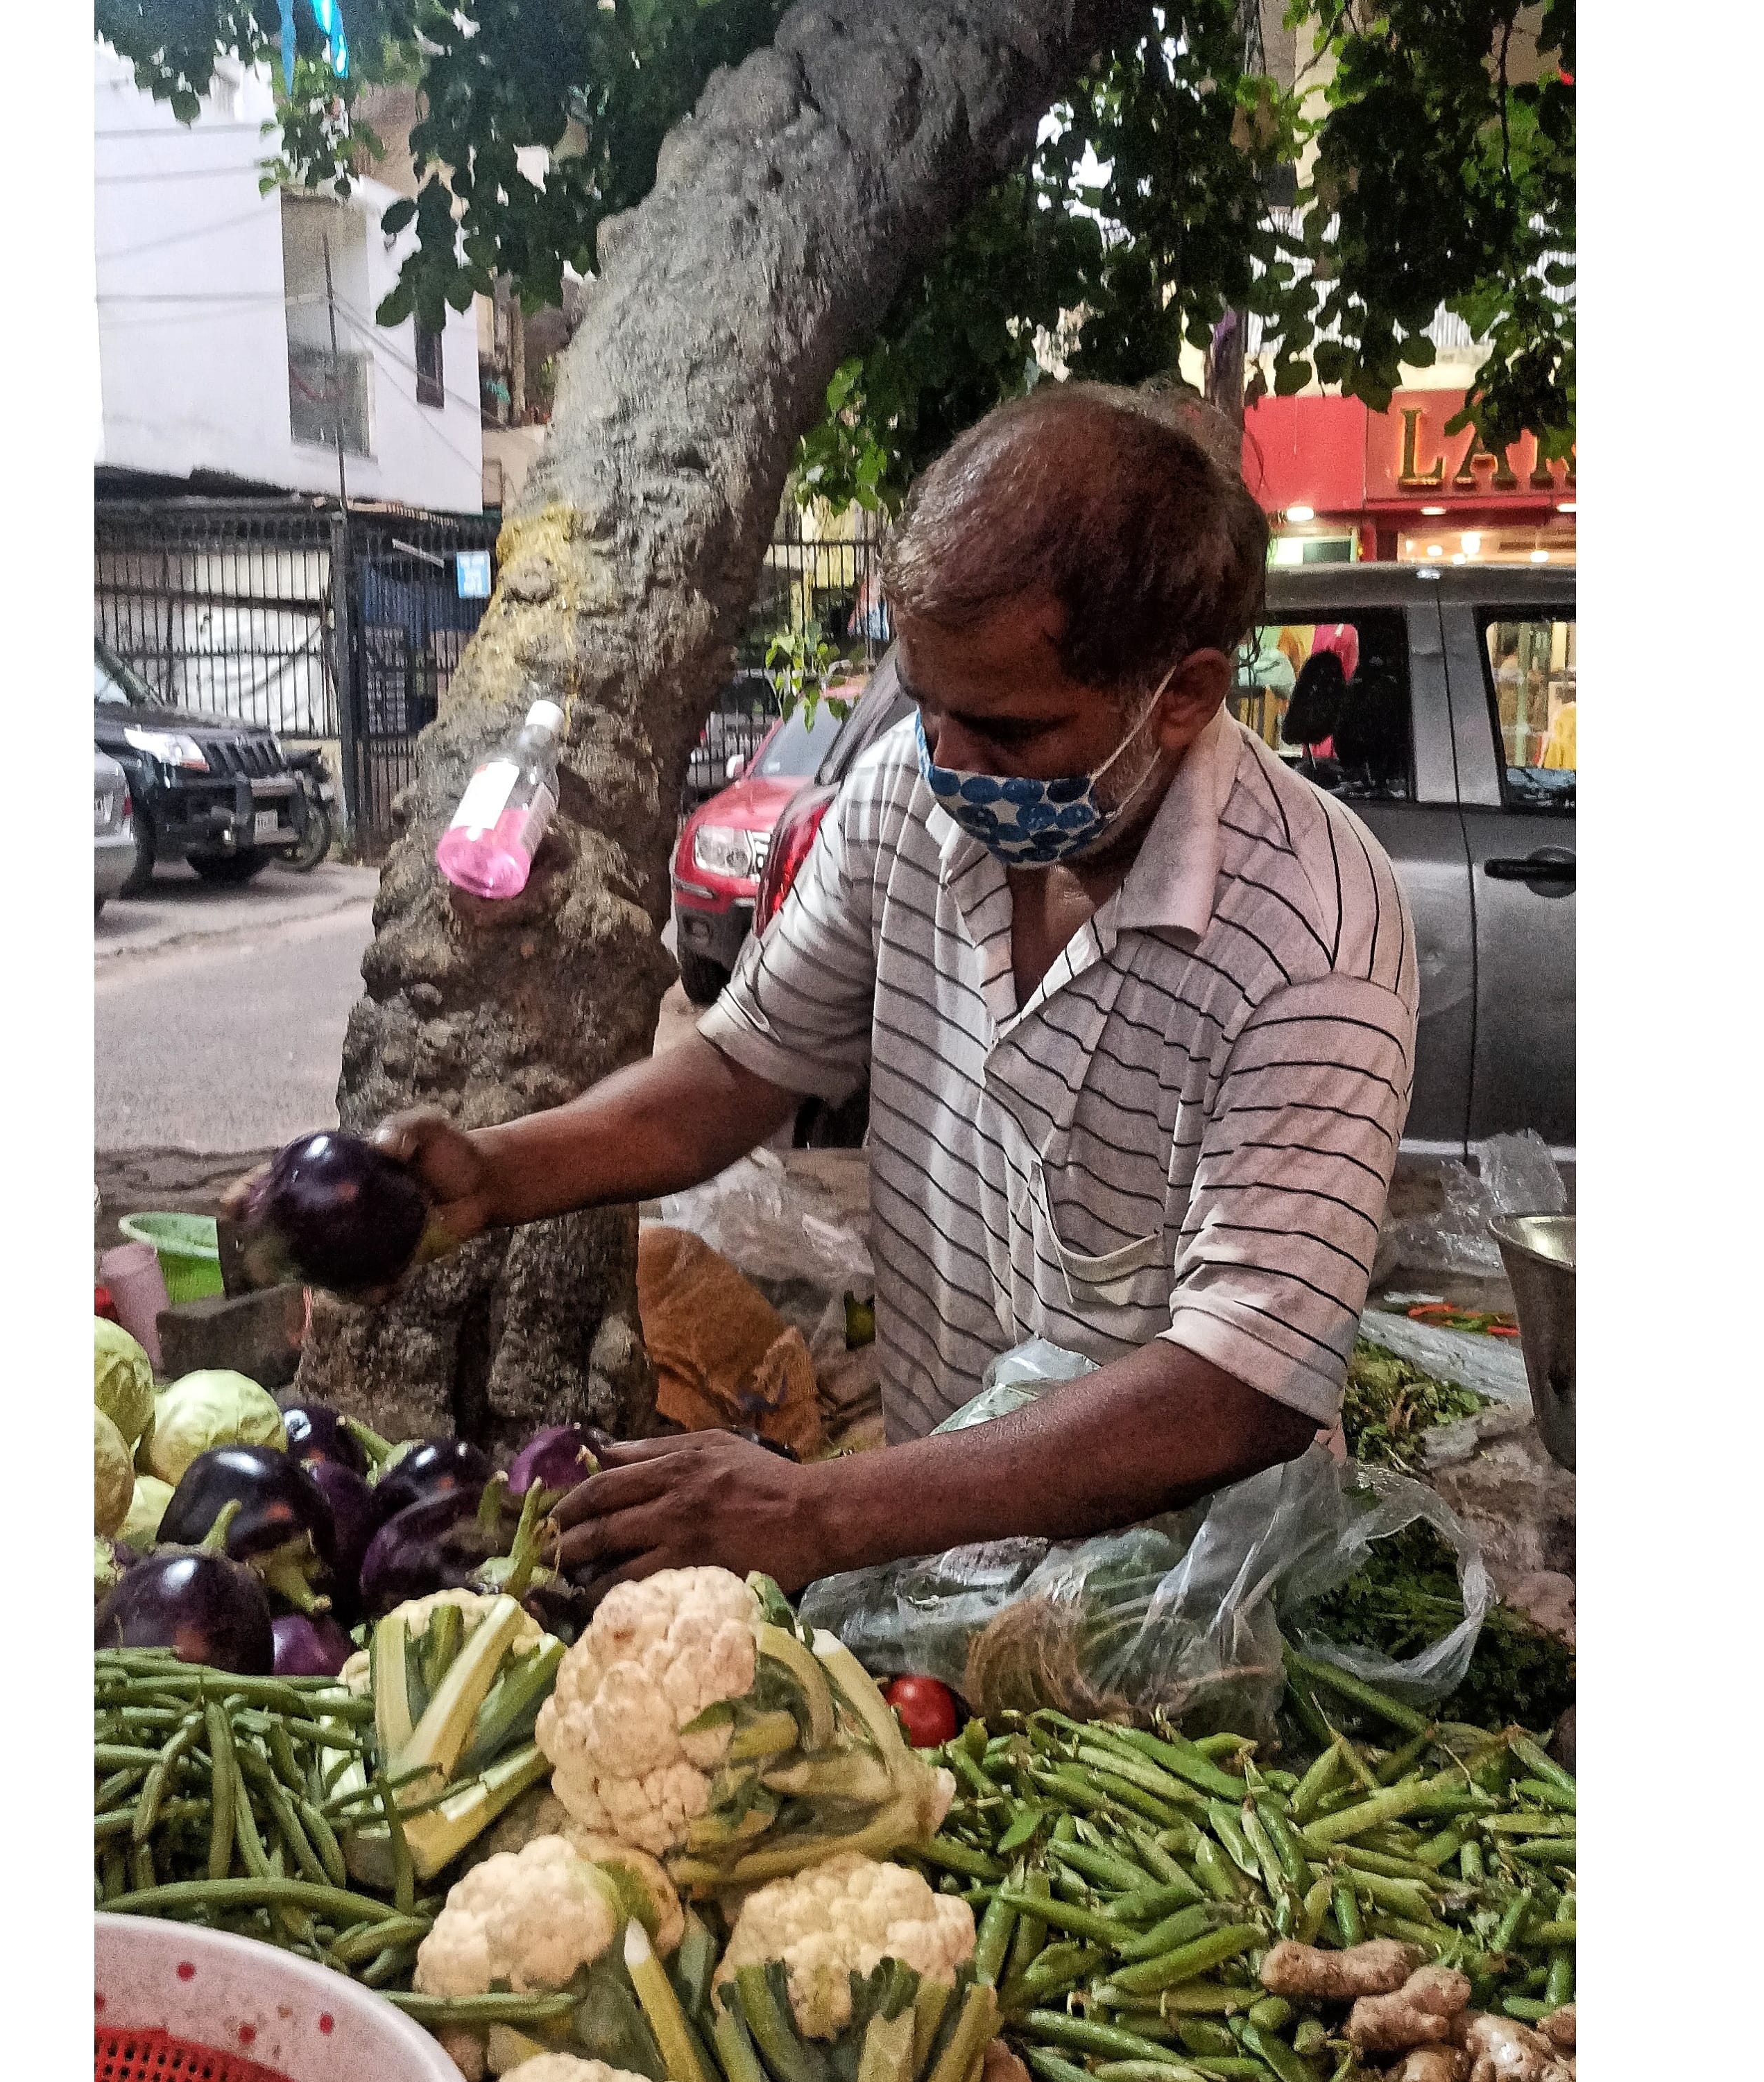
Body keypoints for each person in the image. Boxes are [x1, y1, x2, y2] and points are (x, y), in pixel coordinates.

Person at [346, 384, 1419, 1593]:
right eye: (925, 704)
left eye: (1006, 730)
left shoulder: (1313, 929)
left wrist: (814, 1514)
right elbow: (740, 1069)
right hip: (928, 1541)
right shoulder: (906, 804)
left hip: (1178, 1609)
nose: (948, 762)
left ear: (1183, 696)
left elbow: (1238, 1388)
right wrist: (496, 1176)